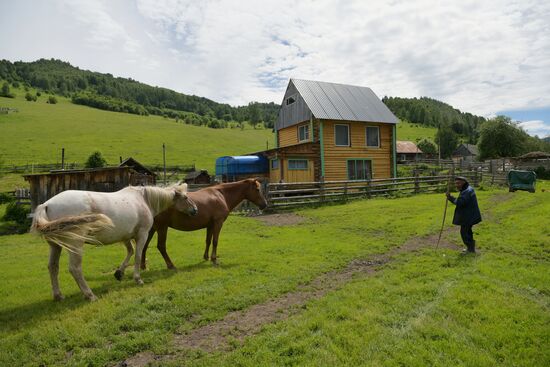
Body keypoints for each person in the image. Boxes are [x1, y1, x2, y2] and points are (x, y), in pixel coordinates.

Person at [446, 176, 482, 254]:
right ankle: (471, 248)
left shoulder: (467, 191)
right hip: (471, 215)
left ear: (464, 182)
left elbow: (460, 203)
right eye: (456, 183)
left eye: (458, 183)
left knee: (464, 233)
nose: (457, 185)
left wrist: (450, 197)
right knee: (468, 231)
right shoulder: (468, 189)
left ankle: (470, 249)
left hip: (468, 216)